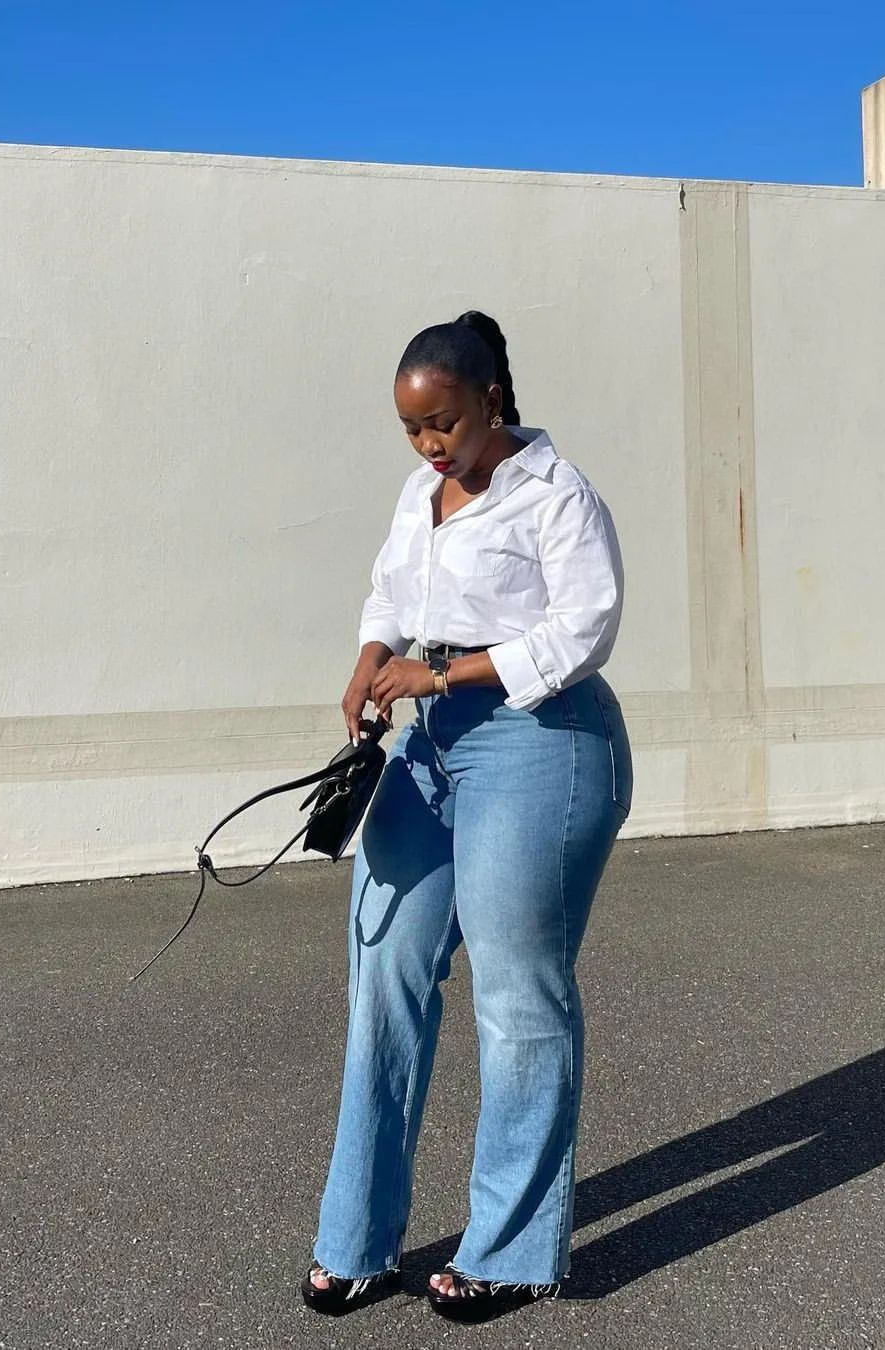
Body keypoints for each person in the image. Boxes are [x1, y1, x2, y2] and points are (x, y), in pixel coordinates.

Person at [302, 311, 633, 1321]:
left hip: (544, 739)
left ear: (491, 400)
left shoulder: (555, 495)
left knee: (516, 990)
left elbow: (585, 628)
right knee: (385, 968)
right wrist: (370, 666)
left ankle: (515, 1252)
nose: (428, 445)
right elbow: (391, 598)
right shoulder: (422, 494)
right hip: (432, 743)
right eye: (412, 428)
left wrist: (441, 673)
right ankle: (358, 1242)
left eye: (442, 422)